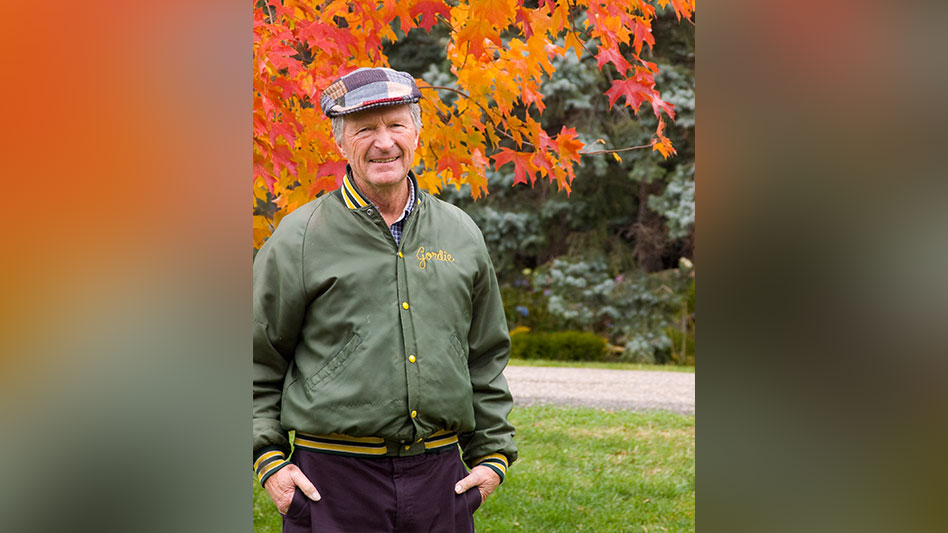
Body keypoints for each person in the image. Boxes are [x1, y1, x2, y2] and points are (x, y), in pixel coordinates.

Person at [252, 66, 518, 532]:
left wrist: (492, 457)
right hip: (331, 483)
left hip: (441, 480)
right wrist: (268, 461)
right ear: (339, 143)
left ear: (416, 131)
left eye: (396, 125)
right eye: (365, 129)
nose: (384, 142)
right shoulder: (300, 236)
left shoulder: (460, 232)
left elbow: (486, 353)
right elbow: (253, 357)